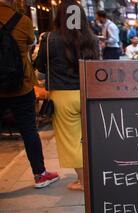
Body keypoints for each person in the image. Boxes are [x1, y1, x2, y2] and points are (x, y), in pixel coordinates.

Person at [35, 0, 99, 191]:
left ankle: (82, 181)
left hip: (62, 96)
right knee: (91, 138)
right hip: (88, 94)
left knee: (71, 140)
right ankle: (97, 174)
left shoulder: (49, 39)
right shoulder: (92, 39)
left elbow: (39, 66)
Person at [0, 0, 59, 188]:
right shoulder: (22, 20)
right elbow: (31, 43)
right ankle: (39, 174)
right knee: (28, 130)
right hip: (21, 85)